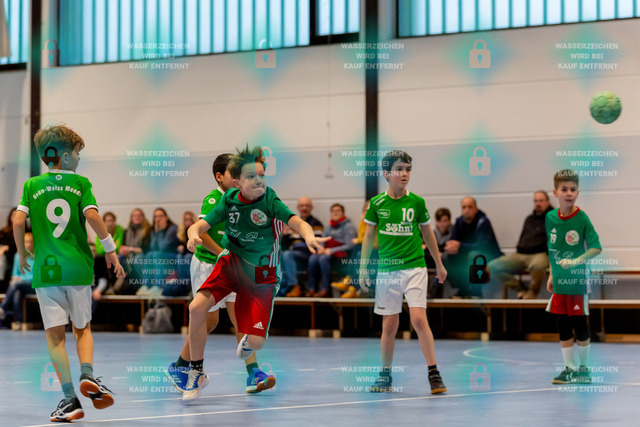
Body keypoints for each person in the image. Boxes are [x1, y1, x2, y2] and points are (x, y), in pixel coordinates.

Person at [181, 145, 327, 402]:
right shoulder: (228, 199)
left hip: (262, 275)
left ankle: (250, 356)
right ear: (237, 182)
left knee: (256, 341)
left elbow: (298, 222)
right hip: (231, 264)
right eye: (251, 176)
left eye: (262, 175)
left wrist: (309, 236)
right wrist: (193, 235)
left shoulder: (270, 200)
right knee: (196, 308)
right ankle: (195, 370)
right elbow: (199, 225)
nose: (259, 180)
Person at [13, 124, 125, 422]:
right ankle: (88, 374)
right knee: (82, 329)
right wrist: (110, 248)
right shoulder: (80, 183)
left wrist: (22, 253)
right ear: (63, 155)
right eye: (77, 153)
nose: (79, 158)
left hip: (47, 271)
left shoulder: (31, 185)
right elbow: (92, 215)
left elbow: (17, 221)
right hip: (77, 268)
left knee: (55, 338)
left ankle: (69, 399)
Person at [165, 153, 276, 395]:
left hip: (232, 268)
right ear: (219, 176)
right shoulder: (214, 199)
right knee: (208, 320)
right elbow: (201, 232)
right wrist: (223, 253)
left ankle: (253, 373)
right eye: (233, 173)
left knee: (240, 318)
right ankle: (181, 366)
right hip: (208, 266)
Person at [359, 150, 447, 395]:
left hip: (415, 268)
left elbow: (428, 233)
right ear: (387, 173)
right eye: (399, 169)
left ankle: (434, 373)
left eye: (408, 169)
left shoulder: (417, 202)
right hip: (387, 271)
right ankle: (385, 375)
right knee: (389, 325)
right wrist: (363, 268)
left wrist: (439, 264)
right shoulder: (377, 204)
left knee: (418, 319)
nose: (404, 174)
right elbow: (368, 237)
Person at [546, 170, 601, 385]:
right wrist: (552, 274)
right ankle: (569, 369)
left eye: (573, 189)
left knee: (579, 323)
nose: (568, 193)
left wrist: (576, 262)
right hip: (560, 281)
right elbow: (552, 249)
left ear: (578, 193)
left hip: (577, 281)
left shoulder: (582, 218)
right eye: (564, 189)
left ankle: (584, 369)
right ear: (555, 192)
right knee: (563, 324)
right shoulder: (550, 218)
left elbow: (596, 247)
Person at [489, 191, 553, 299]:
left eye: (541, 201)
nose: (538, 203)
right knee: (492, 266)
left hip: (540, 254)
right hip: (521, 254)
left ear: (547, 202)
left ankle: (532, 294)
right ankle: (520, 289)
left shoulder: (553, 218)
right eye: (536, 201)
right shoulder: (529, 219)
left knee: (537, 266)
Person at [444, 197, 502, 297]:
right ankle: (463, 289)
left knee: (474, 256)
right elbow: (453, 240)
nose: (466, 210)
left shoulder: (483, 222)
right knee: (445, 256)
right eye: (464, 207)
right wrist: (450, 247)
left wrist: (460, 245)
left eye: (470, 207)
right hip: (467, 254)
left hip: (489, 255)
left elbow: (483, 246)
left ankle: (476, 291)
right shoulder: (459, 221)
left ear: (476, 209)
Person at [306, 203, 356, 297]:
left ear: (343, 213)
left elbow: (350, 245)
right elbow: (323, 240)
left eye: (338, 211)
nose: (335, 213)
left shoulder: (348, 226)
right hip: (328, 254)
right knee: (313, 258)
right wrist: (321, 248)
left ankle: (325, 289)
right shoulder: (329, 227)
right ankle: (312, 288)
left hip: (342, 257)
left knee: (323, 258)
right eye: (333, 211)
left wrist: (331, 251)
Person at [332, 200, 379, 298]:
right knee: (357, 250)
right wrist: (364, 223)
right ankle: (350, 282)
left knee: (358, 252)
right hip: (366, 249)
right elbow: (363, 238)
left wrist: (359, 240)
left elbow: (375, 243)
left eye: (369, 210)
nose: (367, 213)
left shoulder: (379, 223)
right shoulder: (363, 222)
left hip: (377, 251)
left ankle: (351, 283)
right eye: (365, 210)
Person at [281, 197, 324, 297]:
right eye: (301, 206)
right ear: (298, 208)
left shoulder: (316, 223)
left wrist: (304, 235)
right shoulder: (293, 224)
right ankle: (282, 287)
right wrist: (285, 235)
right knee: (279, 254)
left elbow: (316, 243)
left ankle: (294, 285)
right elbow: (285, 246)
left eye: (307, 205)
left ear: (311, 207)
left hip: (309, 254)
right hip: (294, 255)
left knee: (287, 254)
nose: (304, 208)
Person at [0, 232, 35, 329]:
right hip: (21, 285)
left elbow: (36, 277)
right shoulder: (18, 255)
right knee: (17, 291)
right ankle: (19, 322)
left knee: (15, 284)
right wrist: (19, 279)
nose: (29, 244)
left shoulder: (38, 255)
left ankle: (3, 307)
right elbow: (14, 274)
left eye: (31, 242)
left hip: (34, 286)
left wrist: (21, 279)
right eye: (26, 242)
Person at [145, 208, 181, 296]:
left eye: (161, 216)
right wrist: (156, 232)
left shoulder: (172, 228)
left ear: (166, 217)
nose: (158, 219)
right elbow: (152, 247)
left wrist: (159, 231)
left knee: (157, 254)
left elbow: (163, 247)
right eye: (156, 217)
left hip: (174, 256)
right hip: (161, 255)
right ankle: (146, 286)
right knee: (149, 254)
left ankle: (158, 286)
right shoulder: (154, 228)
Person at [114, 208, 150, 294]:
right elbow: (123, 246)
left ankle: (143, 285)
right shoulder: (127, 231)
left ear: (143, 217)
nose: (137, 217)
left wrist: (130, 249)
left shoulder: (147, 230)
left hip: (141, 255)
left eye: (139, 215)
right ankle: (119, 283)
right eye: (135, 215)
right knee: (118, 257)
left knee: (138, 258)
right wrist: (122, 250)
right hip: (128, 255)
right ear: (131, 218)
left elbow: (145, 249)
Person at [91, 212, 124, 301]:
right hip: (104, 257)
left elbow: (118, 246)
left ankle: (113, 286)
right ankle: (109, 286)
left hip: (115, 256)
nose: (109, 223)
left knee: (116, 259)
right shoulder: (100, 231)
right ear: (104, 222)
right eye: (107, 221)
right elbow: (99, 249)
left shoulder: (119, 230)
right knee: (102, 258)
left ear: (114, 221)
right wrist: (111, 246)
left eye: (111, 221)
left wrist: (108, 248)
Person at [424, 208, 452, 298]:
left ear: (449, 221)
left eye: (445, 221)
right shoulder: (431, 232)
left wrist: (441, 255)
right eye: (440, 221)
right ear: (436, 222)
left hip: (446, 261)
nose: (442, 224)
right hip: (432, 260)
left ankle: (436, 286)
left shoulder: (453, 232)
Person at [176, 211, 196, 286]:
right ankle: (182, 281)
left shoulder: (195, 232)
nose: (188, 222)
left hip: (193, 253)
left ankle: (189, 283)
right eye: (186, 220)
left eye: (189, 220)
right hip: (186, 253)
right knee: (179, 256)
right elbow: (180, 245)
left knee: (188, 257)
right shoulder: (182, 232)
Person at [0, 207, 18, 293]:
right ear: (10, 217)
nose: (15, 218)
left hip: (19, 257)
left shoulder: (27, 231)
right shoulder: (4, 232)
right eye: (14, 215)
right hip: (5, 258)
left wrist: (8, 247)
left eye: (18, 215)